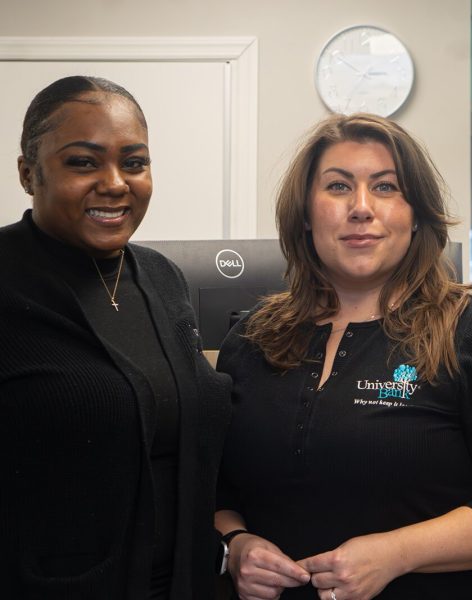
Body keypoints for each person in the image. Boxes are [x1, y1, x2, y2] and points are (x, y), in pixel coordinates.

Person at [214, 113, 472, 600]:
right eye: (338, 187)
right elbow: (214, 487)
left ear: (416, 213)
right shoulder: (250, 339)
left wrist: (396, 554)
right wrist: (236, 544)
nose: (361, 208)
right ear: (305, 212)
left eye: (385, 187)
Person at [0, 75, 231, 599]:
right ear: (28, 173)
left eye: (134, 162)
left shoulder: (162, 278)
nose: (115, 183)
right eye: (83, 162)